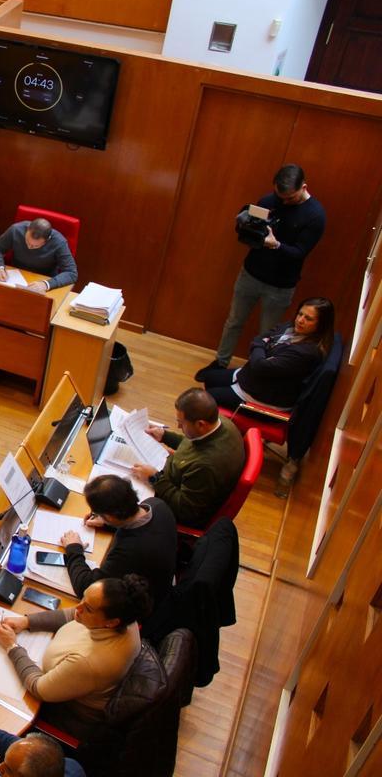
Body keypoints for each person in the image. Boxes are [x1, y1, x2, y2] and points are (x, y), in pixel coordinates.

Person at [203, 164, 326, 375]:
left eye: (290, 198)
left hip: (280, 285)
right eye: (280, 197)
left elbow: (300, 252)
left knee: (267, 335)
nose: (284, 202)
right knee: (234, 321)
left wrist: (275, 244)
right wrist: (243, 226)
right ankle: (220, 363)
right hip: (251, 273)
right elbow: (252, 238)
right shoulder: (269, 201)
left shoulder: (315, 215)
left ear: (304, 187)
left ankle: (253, 372)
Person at [0, 575, 152, 735]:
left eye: (88, 608)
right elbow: (72, 615)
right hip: (68, 678)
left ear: (111, 622)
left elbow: (38, 688)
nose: (78, 607)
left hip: (65, 710)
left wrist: (11, 646)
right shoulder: (126, 617)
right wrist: (27, 622)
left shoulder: (88, 663)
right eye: (83, 597)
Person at [129, 388, 245, 529]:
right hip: (172, 478)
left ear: (201, 424)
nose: (178, 426)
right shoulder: (221, 423)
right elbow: (193, 442)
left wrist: (154, 478)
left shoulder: (206, 467)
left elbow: (185, 510)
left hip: (173, 508)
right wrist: (164, 436)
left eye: (181, 423)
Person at [63, 474, 177, 610]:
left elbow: (86, 586)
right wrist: (108, 524)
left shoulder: (129, 552)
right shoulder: (157, 504)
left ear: (111, 516)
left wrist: (73, 548)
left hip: (146, 606)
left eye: (98, 513)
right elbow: (144, 528)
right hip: (165, 580)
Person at [202, 297, 334, 411]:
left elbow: (260, 365)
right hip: (252, 378)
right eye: (300, 314)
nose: (300, 320)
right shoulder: (290, 327)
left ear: (321, 325)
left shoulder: (306, 353)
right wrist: (261, 347)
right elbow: (261, 338)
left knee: (206, 399)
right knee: (209, 377)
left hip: (263, 396)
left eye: (308, 319)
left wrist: (261, 346)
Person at [0, 218, 78, 293]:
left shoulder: (59, 242)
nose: (29, 247)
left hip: (42, 282)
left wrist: (46, 284)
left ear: (47, 240)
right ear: (27, 229)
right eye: (27, 241)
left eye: (35, 246)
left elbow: (71, 273)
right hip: (14, 278)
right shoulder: (16, 230)